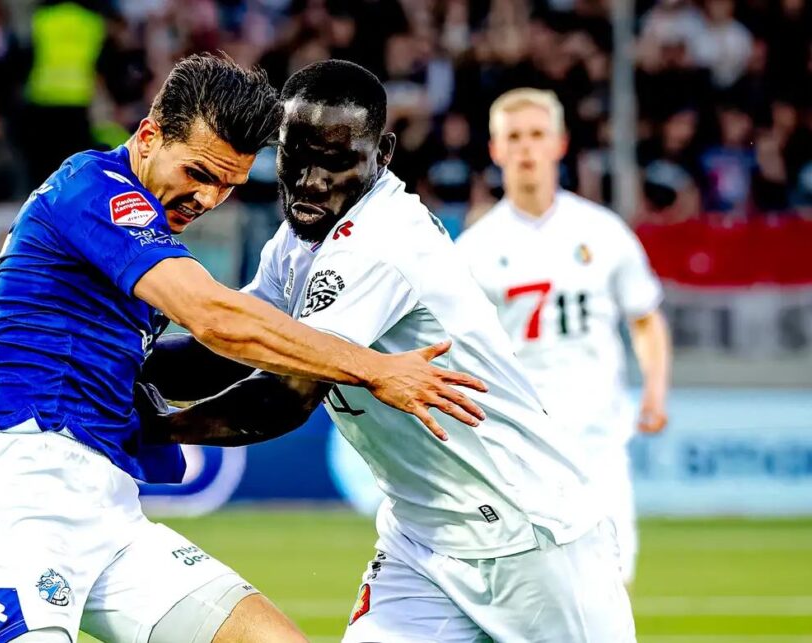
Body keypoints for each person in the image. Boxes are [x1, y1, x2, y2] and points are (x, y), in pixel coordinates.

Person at [0, 54, 487, 643]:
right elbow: (213, 318)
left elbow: (203, 353)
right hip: (25, 495)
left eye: (228, 185)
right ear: (148, 137)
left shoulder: (137, 227)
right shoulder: (93, 189)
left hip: (110, 511)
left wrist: (161, 416)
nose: (207, 197)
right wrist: (373, 369)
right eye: (199, 173)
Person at [138, 60, 636, 642]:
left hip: (532, 539)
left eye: (336, 161)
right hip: (420, 543)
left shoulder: (382, 241)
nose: (311, 182)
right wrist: (103, 364)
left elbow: (287, 396)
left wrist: (158, 429)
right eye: (296, 157)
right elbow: (229, 349)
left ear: (383, 155)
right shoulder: (299, 239)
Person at [455, 87, 673, 585]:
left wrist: (655, 391)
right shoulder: (475, 249)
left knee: (611, 583)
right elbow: (462, 350)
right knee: (532, 592)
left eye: (537, 134)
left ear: (559, 144)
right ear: (496, 150)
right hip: (520, 446)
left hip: (598, 441)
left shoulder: (603, 232)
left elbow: (645, 318)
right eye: (514, 137)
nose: (526, 148)